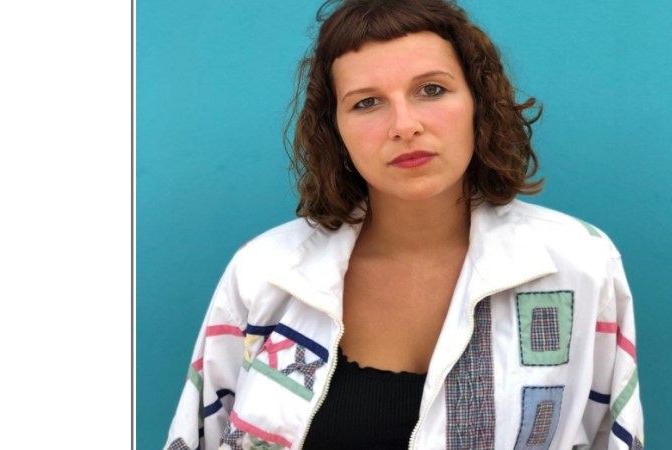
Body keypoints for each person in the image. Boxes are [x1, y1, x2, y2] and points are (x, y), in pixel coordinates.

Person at [163, 0, 644, 449]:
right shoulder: (267, 273)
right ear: (335, 130)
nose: (404, 124)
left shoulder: (578, 264)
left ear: (478, 102)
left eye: (431, 89)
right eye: (366, 102)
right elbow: (201, 433)